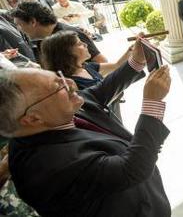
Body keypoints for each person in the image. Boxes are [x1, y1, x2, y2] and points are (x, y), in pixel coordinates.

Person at [0, 37, 172, 216]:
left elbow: (103, 89)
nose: (71, 84)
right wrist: (152, 103)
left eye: (60, 77)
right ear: (33, 118)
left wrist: (136, 60)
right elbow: (131, 169)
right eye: (59, 87)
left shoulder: (59, 111)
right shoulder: (47, 166)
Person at [11, 0, 108, 64]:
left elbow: (101, 61)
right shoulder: (41, 41)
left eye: (19, 24)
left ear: (33, 22)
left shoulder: (70, 34)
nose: (19, 29)